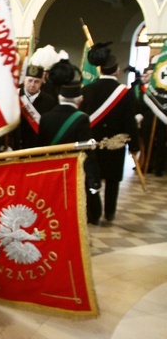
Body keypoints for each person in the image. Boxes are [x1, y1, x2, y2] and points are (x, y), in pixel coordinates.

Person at [80, 42, 139, 223]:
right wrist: (134, 145)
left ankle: (93, 213)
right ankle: (110, 212)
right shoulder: (126, 93)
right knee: (112, 180)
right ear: (116, 71)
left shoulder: (87, 89)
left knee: (92, 178)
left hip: (92, 143)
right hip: (116, 143)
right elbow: (130, 122)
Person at [38, 59, 102, 224]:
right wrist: (93, 178)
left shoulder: (45, 118)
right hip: (71, 170)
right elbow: (87, 150)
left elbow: (39, 147)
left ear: (59, 97)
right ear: (79, 100)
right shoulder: (81, 119)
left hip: (50, 170)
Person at [13, 63, 57, 149]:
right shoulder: (14, 96)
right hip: (16, 145)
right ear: (24, 80)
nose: (32, 85)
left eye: (36, 81)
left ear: (41, 82)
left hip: (38, 146)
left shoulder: (49, 101)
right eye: (30, 80)